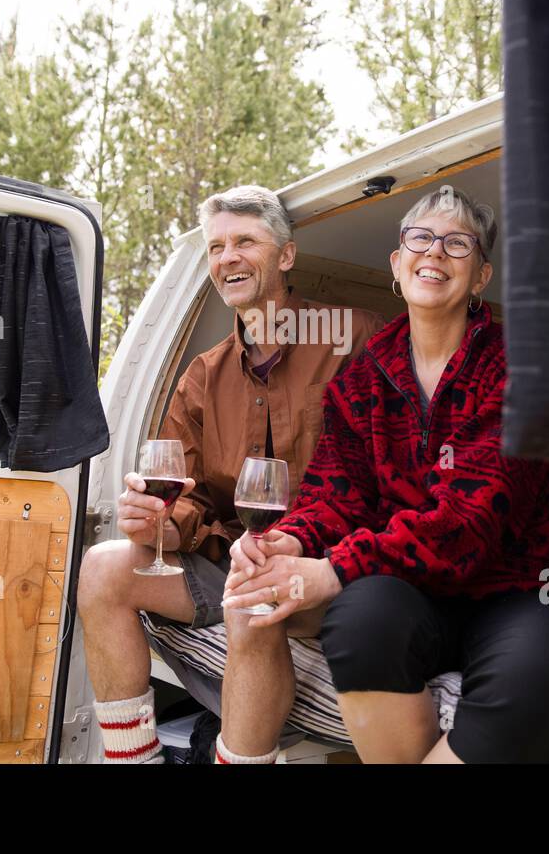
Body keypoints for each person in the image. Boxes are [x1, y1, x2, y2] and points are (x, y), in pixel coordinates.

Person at [221, 185, 549, 764]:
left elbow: (471, 520)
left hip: (527, 588)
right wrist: (288, 539)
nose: (435, 253)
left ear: (480, 277)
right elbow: (335, 496)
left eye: (457, 244)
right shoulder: (363, 379)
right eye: (420, 238)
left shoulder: (521, 368)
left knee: (532, 690)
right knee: (360, 619)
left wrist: (334, 567)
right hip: (423, 592)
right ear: (397, 263)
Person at [75, 184, 382, 763]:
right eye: (216, 247)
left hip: (330, 568)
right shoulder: (203, 376)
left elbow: (397, 469)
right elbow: (186, 506)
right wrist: (154, 523)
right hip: (232, 561)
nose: (227, 257)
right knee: (102, 566)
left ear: (285, 256)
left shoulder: (355, 337)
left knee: (253, 595)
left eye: (245, 241)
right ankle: (132, 760)